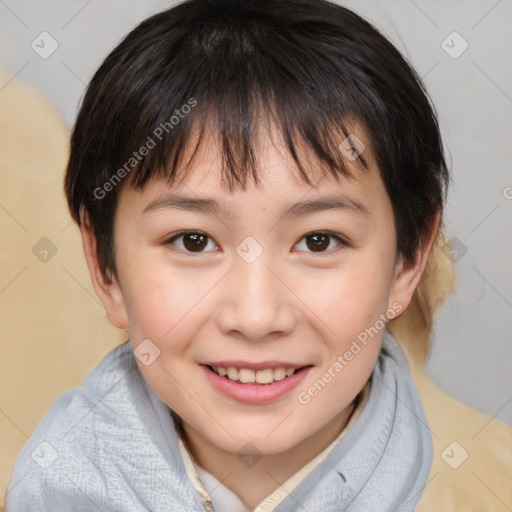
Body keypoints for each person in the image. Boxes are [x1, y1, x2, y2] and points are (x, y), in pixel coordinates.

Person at [4, 0, 450, 510]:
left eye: (319, 240)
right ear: (106, 269)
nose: (256, 317)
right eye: (193, 241)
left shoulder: (479, 482)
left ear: (408, 259)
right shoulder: (49, 485)